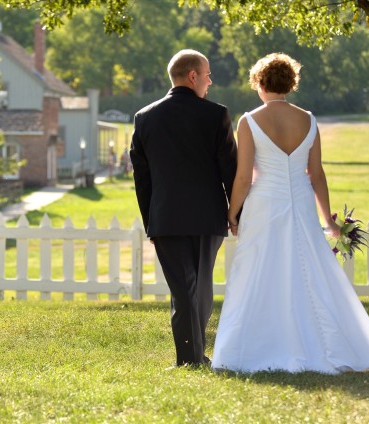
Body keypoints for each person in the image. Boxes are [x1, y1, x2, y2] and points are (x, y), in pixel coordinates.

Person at [212, 53, 369, 374]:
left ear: (259, 82)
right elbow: (316, 174)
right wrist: (329, 221)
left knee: (259, 271)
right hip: (300, 202)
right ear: (290, 84)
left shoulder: (249, 120)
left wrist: (232, 212)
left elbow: (243, 177)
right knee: (309, 269)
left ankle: (255, 348)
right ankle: (324, 345)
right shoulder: (309, 119)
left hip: (264, 204)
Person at [130, 49, 237, 367]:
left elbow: (142, 177)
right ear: (193, 76)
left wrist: (151, 221)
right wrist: (236, 213)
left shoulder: (144, 117)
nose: (210, 81)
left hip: (166, 218)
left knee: (186, 290)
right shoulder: (216, 115)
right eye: (207, 75)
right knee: (199, 288)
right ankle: (190, 359)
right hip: (208, 217)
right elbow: (229, 170)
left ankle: (191, 358)